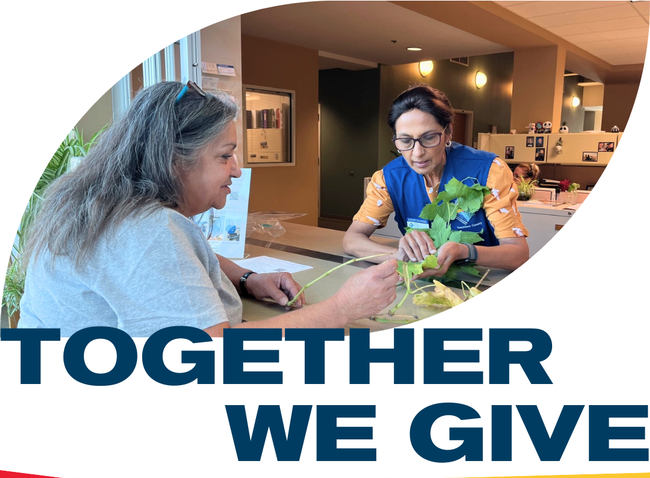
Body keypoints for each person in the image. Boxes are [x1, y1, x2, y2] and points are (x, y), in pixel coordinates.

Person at [18, 81, 398, 337]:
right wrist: (342, 308)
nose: (235, 170)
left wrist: (246, 278)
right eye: (225, 156)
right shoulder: (148, 230)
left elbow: (165, 262)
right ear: (173, 160)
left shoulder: (105, 205)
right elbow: (208, 356)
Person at [343, 85, 529, 275]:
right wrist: (398, 255)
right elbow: (352, 239)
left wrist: (464, 251)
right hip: (422, 283)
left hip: (483, 282)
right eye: (405, 141)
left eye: (429, 137)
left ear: (448, 132)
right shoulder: (389, 178)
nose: (417, 153)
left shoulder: (488, 170)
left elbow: (518, 253)